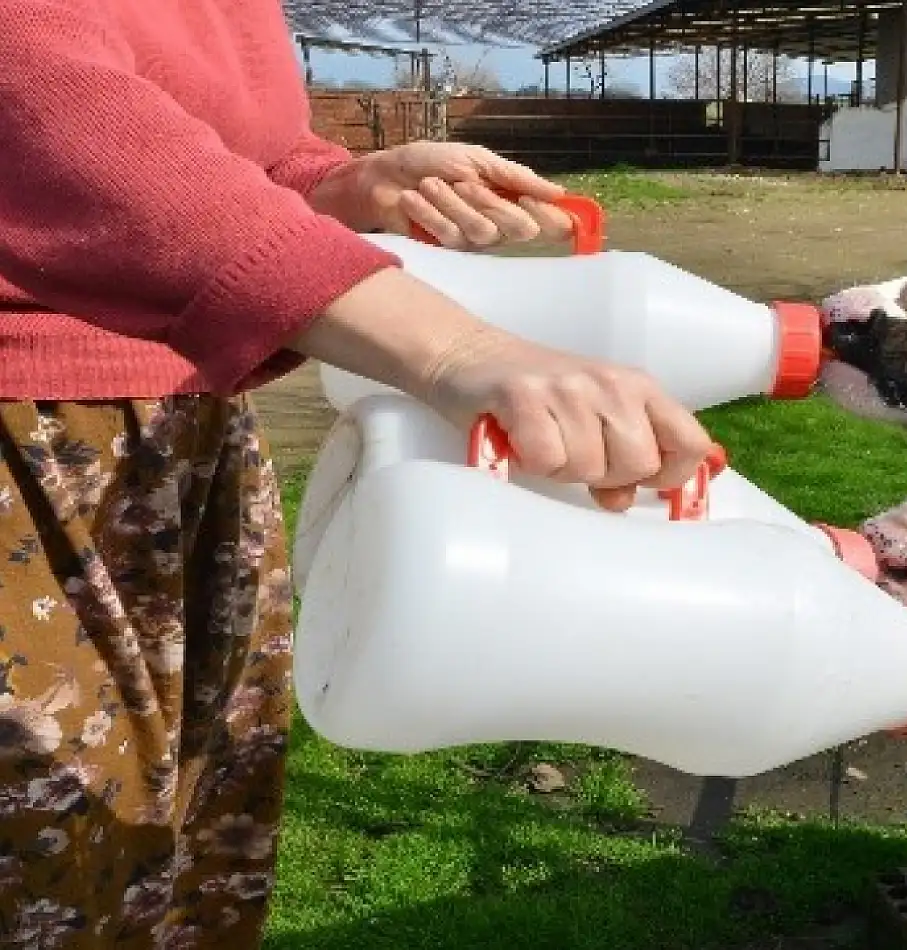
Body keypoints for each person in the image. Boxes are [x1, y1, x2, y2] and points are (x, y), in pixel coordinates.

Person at [0, 1, 714, 946]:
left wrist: (339, 182)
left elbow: (217, 141)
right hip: (28, 446)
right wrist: (454, 347)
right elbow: (47, 102)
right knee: (51, 849)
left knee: (194, 835)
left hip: (189, 420)